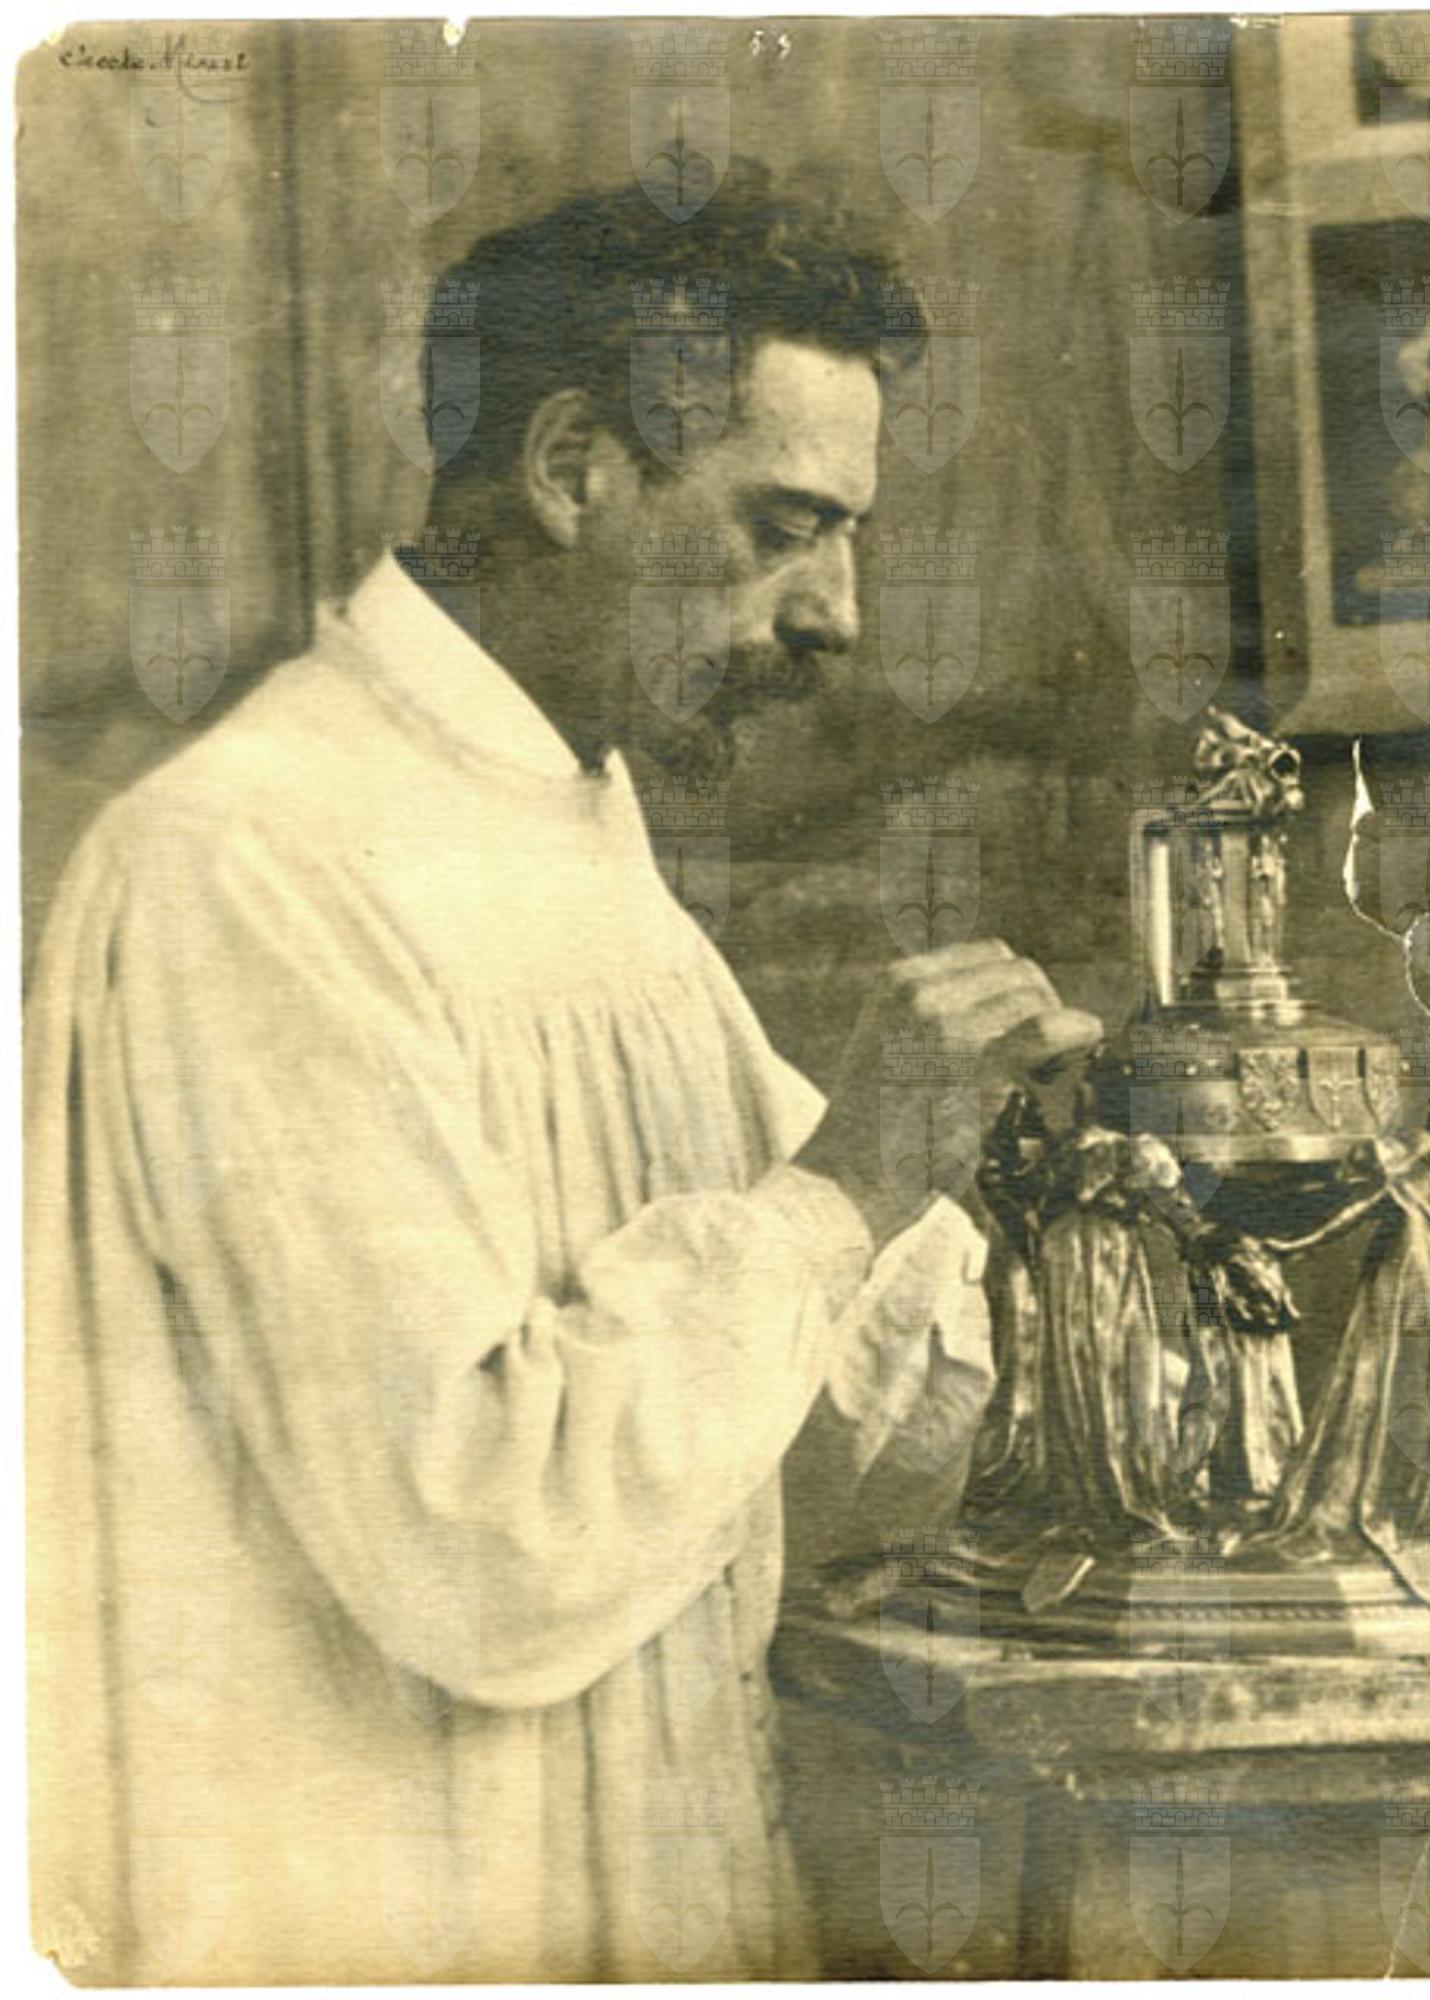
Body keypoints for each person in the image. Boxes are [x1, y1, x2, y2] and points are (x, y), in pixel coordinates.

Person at [26, 163, 1101, 1982]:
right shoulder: (250, 857)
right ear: (574, 468)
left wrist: (975, 1196)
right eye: (784, 527)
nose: (836, 614)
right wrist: (850, 1187)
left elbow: (784, 1460)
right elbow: (477, 1529)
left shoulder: (566, 818)